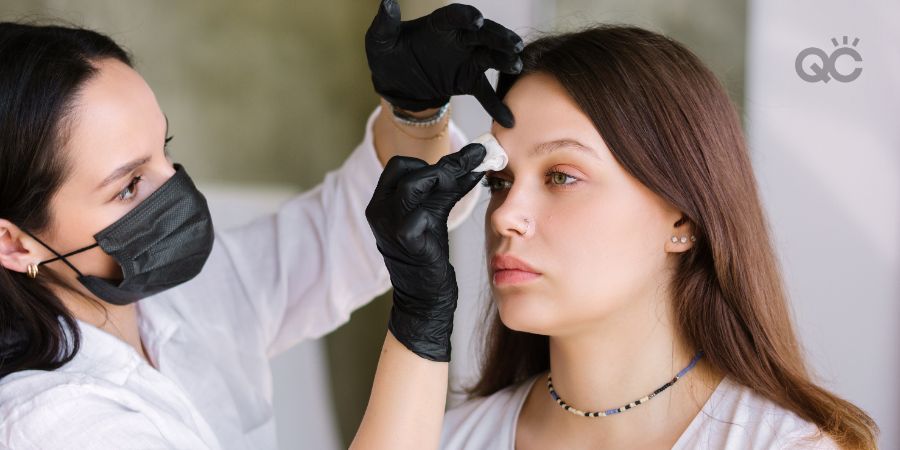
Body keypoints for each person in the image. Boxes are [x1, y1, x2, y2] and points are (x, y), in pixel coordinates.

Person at [0, 1, 523, 448]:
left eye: (164, 149)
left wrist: (413, 112)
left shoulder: (179, 301)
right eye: (129, 186)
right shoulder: (50, 424)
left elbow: (342, 233)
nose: (178, 189)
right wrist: (420, 321)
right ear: (14, 243)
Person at [363, 25, 880, 449]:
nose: (504, 217)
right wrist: (418, 316)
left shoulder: (784, 446)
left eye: (561, 176)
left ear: (683, 221)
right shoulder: (448, 440)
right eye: (499, 182)